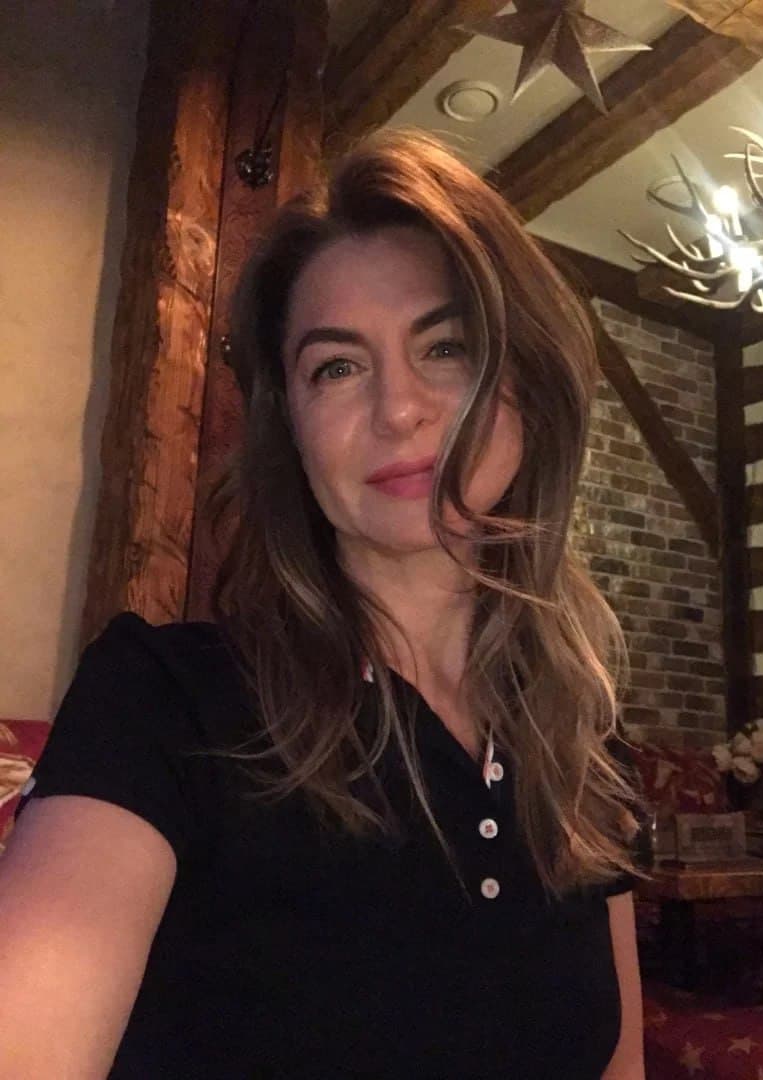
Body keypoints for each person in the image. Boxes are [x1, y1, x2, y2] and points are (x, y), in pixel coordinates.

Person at [1, 130, 648, 1078]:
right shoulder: (165, 702)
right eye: (336, 367)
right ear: (291, 428)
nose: (398, 408)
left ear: (529, 386)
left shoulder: (582, 744)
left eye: (447, 347)